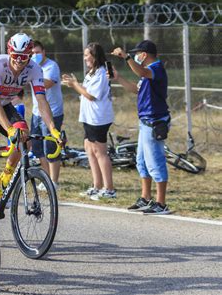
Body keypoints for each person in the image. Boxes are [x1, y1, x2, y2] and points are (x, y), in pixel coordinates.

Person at [0, 33, 63, 210]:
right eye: (16, 56)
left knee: (25, 137)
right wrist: (9, 129)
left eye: (24, 57)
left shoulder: (35, 69)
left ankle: (6, 176)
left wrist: (52, 128)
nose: (20, 61)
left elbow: (41, 100)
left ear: (30, 56)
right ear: (9, 53)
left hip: (5, 105)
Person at [111, 40, 171, 215]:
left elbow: (142, 71)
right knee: (142, 162)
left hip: (154, 121)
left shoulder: (156, 69)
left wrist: (126, 57)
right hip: (145, 121)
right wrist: (118, 78)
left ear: (144, 55)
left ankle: (161, 203)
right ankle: (145, 198)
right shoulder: (146, 74)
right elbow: (135, 89)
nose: (136, 56)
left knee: (155, 162)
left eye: (138, 54)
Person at [62, 43, 115, 200]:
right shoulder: (91, 73)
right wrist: (75, 84)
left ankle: (109, 188)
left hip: (98, 118)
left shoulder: (101, 73)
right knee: (89, 150)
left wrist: (75, 85)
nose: (85, 58)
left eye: (87, 55)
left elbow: (91, 95)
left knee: (100, 152)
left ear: (94, 55)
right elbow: (85, 91)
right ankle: (97, 185)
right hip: (88, 117)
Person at [30, 41, 64, 190]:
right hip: (36, 113)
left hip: (52, 113)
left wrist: (32, 74)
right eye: (32, 53)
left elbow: (47, 84)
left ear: (44, 52)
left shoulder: (51, 66)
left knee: (50, 147)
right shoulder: (31, 67)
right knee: (38, 149)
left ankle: (54, 181)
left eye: (37, 52)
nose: (35, 55)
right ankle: (46, 178)